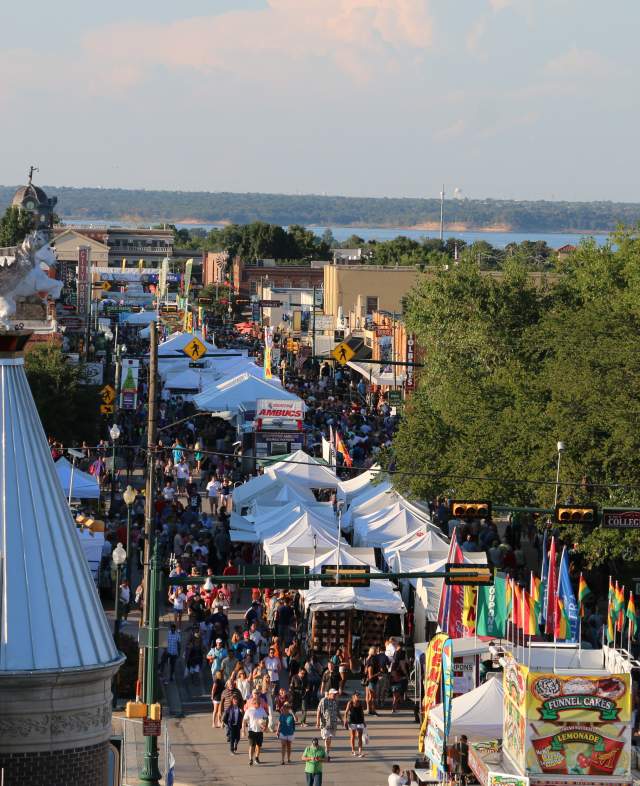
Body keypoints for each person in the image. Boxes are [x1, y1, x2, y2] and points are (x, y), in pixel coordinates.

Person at [242, 694, 269, 766]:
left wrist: (265, 726)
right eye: (257, 703)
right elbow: (244, 720)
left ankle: (256, 757)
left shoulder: (262, 709)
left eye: (259, 703)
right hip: (251, 731)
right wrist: (243, 730)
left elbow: (266, 718)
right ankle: (250, 759)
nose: (259, 704)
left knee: (258, 745)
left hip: (259, 731)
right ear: (253, 703)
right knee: (251, 746)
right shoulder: (249, 710)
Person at [316, 688, 339, 760]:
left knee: (329, 738)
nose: (335, 695)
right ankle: (326, 754)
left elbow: (337, 711)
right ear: (330, 694)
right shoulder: (324, 700)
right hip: (325, 723)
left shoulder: (335, 701)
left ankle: (327, 753)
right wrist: (317, 722)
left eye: (336, 694)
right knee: (327, 738)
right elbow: (318, 711)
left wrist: (342, 720)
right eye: (334, 694)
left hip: (333, 723)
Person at [344, 691, 366, 757]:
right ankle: (353, 751)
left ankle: (360, 751)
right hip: (352, 722)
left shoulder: (361, 703)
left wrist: (364, 721)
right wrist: (345, 720)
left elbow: (362, 713)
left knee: (360, 737)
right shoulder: (350, 703)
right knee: (352, 736)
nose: (358, 697)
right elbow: (346, 712)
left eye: (359, 695)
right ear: (353, 696)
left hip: (360, 722)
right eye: (357, 695)